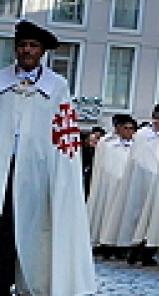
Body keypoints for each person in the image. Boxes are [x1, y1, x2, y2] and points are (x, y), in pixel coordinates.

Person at [0, 20, 95, 294]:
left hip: (39, 174)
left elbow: (65, 138)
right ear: (15, 49)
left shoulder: (57, 88)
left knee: (36, 232)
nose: (27, 50)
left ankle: (34, 285)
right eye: (22, 45)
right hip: (4, 171)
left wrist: (62, 177)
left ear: (42, 51)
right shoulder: (1, 83)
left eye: (33, 45)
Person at [118, 105, 159, 265]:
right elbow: (139, 159)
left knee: (152, 219)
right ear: (157, 119)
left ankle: (147, 253)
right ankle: (134, 251)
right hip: (143, 182)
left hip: (158, 181)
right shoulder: (142, 135)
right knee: (138, 216)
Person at [87, 115, 139, 256]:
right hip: (109, 184)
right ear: (118, 129)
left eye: (132, 129)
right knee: (106, 212)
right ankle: (103, 243)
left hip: (125, 185)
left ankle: (121, 244)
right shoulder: (107, 144)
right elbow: (103, 166)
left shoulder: (137, 144)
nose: (129, 132)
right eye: (126, 128)